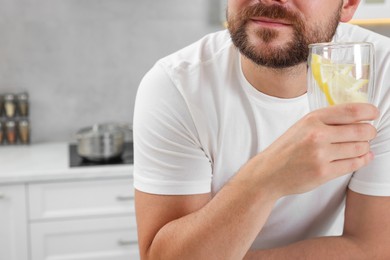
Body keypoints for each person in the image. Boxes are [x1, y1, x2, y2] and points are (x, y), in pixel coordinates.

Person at [133, 0, 390, 259]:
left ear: (349, 5)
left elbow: (375, 249)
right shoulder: (177, 87)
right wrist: (267, 179)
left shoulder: (382, 72)